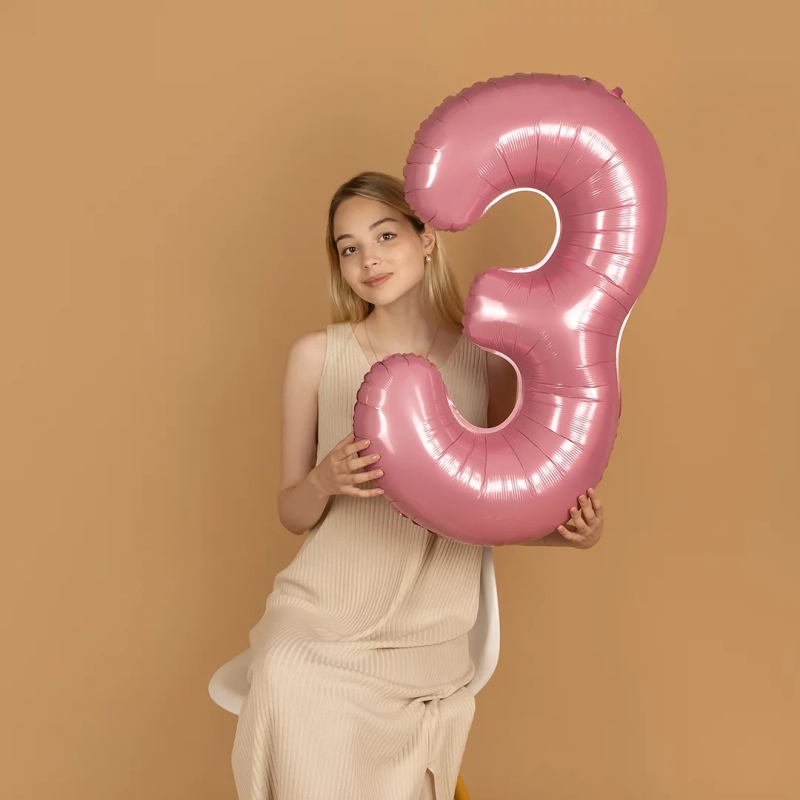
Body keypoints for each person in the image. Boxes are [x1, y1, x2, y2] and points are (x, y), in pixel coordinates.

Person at [231, 171, 605, 800]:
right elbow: (292, 512)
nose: (369, 260)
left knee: (321, 693)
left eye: (385, 236)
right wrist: (324, 480)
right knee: (288, 672)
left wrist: (573, 536)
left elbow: (497, 509)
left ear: (425, 239)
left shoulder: (488, 367)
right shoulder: (316, 357)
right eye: (348, 248)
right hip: (323, 607)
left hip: (429, 623)